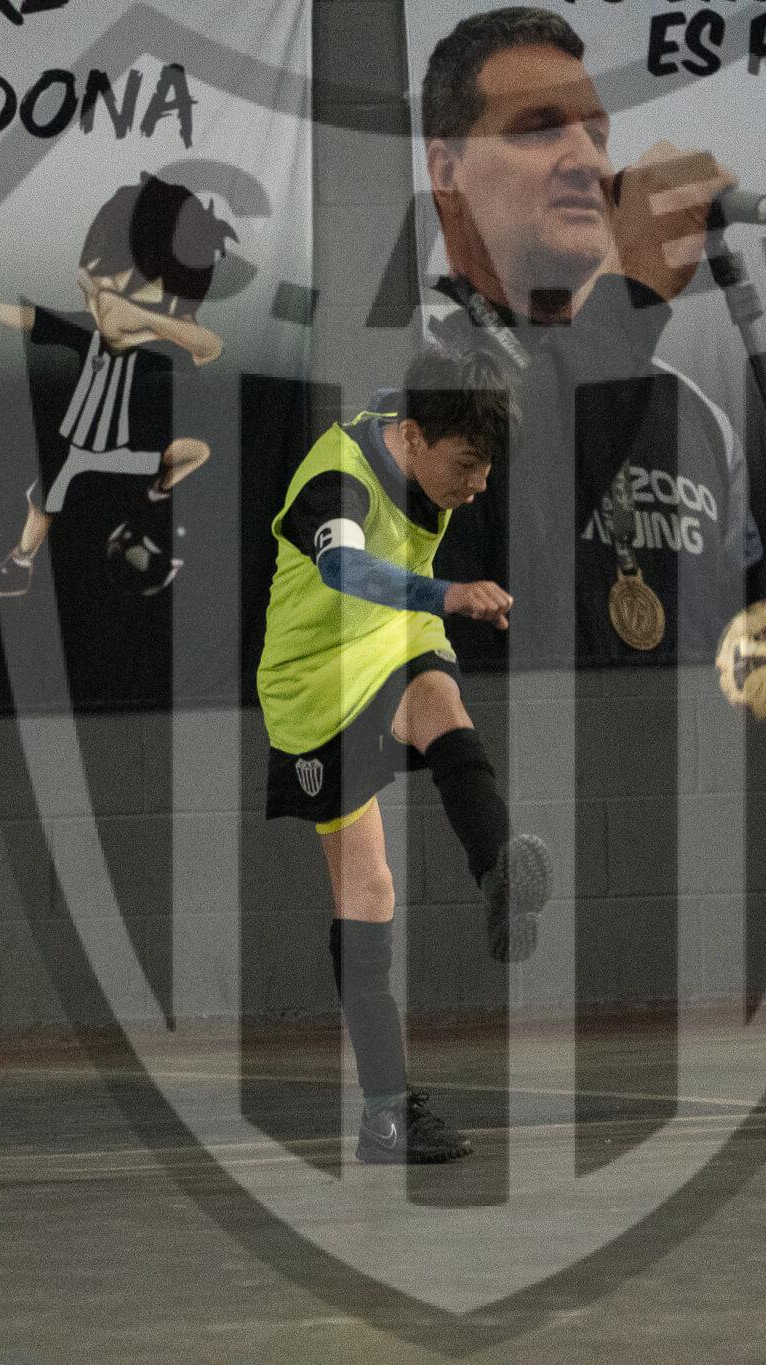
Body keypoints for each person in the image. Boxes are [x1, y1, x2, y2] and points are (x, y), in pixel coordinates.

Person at [258, 348, 548, 1163]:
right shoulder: (337, 479)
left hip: (392, 635)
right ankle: (386, 1112)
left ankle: (499, 874)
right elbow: (343, 565)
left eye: (488, 468)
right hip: (315, 676)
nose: (478, 485)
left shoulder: (420, 423)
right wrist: (447, 593)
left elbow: (409, 390)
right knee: (369, 888)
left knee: (441, 704)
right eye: (466, 466)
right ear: (414, 438)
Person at [418, 5, 764, 667]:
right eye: (539, 129)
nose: (588, 161)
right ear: (447, 170)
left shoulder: (696, 413)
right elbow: (535, 475)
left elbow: (752, 649)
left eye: (598, 135)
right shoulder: (407, 382)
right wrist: (630, 297)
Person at [0, 173, 236, 598]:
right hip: (77, 450)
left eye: (124, 292)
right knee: (44, 498)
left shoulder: (161, 349)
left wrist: (144, 320)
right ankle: (18, 567)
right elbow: (29, 318)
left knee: (196, 452)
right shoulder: (87, 329)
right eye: (97, 289)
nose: (104, 304)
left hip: (122, 453)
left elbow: (210, 345)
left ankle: (155, 495)